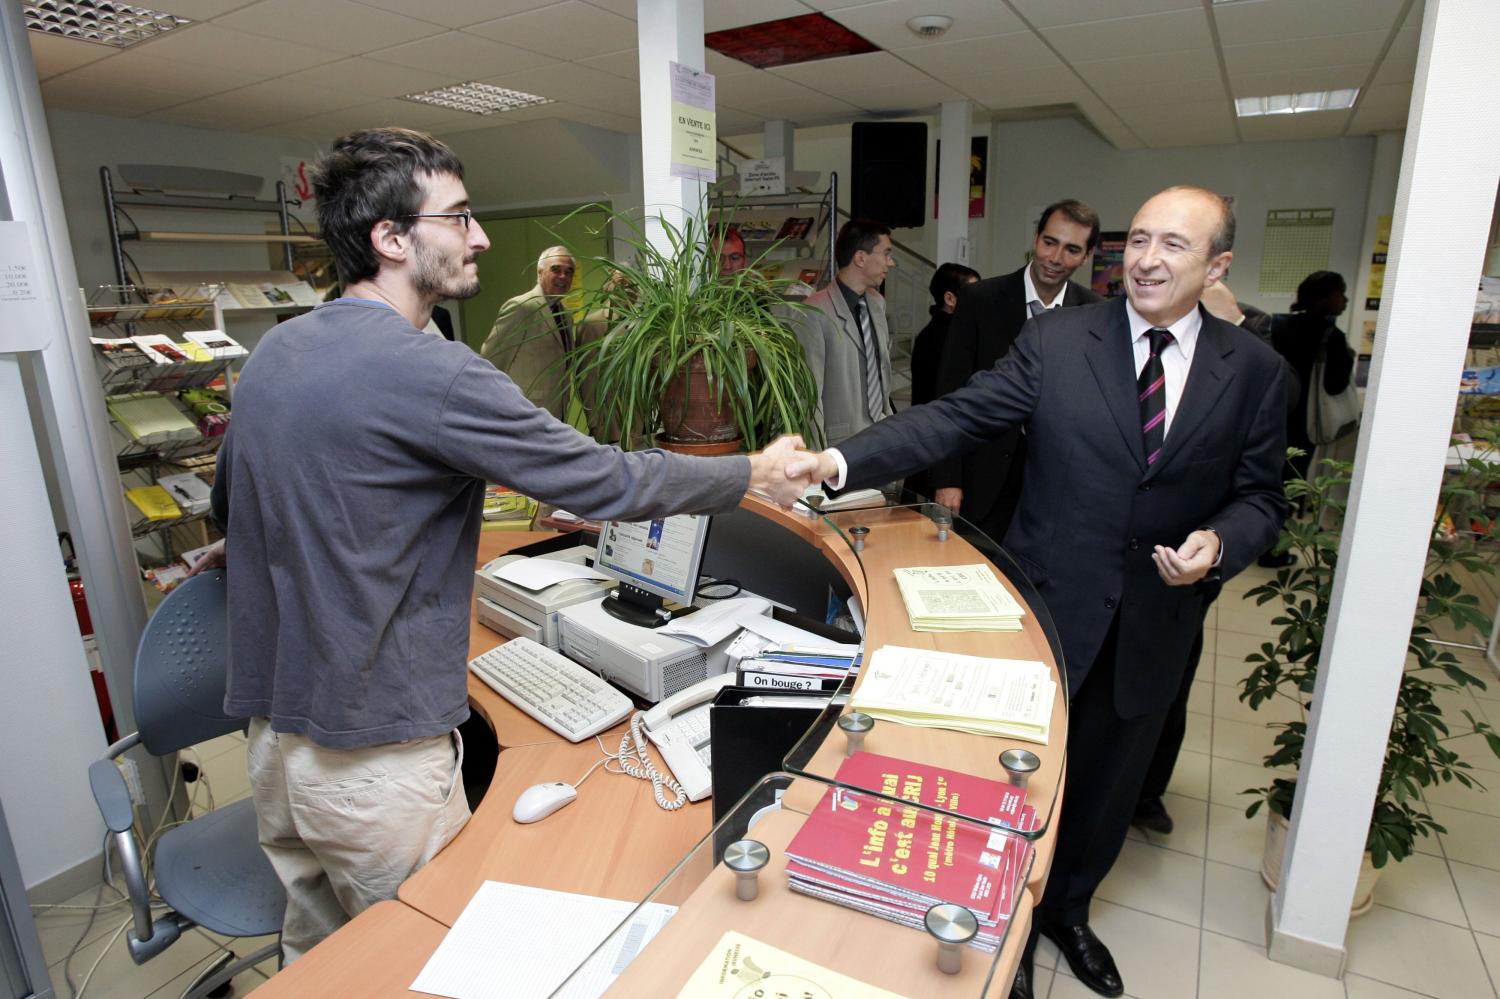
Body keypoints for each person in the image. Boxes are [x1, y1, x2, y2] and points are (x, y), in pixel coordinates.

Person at [192, 127, 811, 961]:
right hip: (372, 761)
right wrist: (753, 473)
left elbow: (236, 513)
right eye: (459, 216)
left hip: (274, 747)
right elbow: (606, 479)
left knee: (325, 960)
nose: (480, 236)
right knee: (425, 961)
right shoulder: (434, 370)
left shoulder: (274, 354)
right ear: (391, 238)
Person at [786, 186, 1288, 999]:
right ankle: (1007, 933)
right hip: (1048, 609)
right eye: (1141, 241)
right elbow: (953, 416)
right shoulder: (1056, 340)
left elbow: (1263, 495)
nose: (1149, 260)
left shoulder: (1256, 373)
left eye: (1176, 246)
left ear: (1218, 265)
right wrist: (835, 465)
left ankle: (1068, 912)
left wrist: (1223, 541)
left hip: (1155, 619)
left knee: (1104, 785)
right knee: (1018, 781)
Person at [929, 200, 1101, 542]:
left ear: (1086, 255)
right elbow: (950, 392)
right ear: (1036, 238)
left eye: (1071, 249)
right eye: (1049, 242)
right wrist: (948, 477)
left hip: (1057, 487)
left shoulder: (1094, 314)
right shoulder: (980, 300)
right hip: (983, 479)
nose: (1055, 257)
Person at [790, 218, 896, 445]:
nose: (891, 262)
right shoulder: (814, 312)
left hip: (882, 436)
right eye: (886, 254)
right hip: (840, 446)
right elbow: (808, 397)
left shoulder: (877, 303)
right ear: (860, 257)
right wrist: (816, 461)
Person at [906, 262, 979, 498]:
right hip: (938, 456)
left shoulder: (952, 334)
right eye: (974, 294)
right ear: (950, 298)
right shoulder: (941, 341)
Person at [480, 246, 578, 419]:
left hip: (557, 413)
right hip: (522, 413)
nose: (563, 276)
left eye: (568, 272)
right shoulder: (522, 307)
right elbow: (491, 360)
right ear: (540, 273)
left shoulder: (566, 316)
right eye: (556, 269)